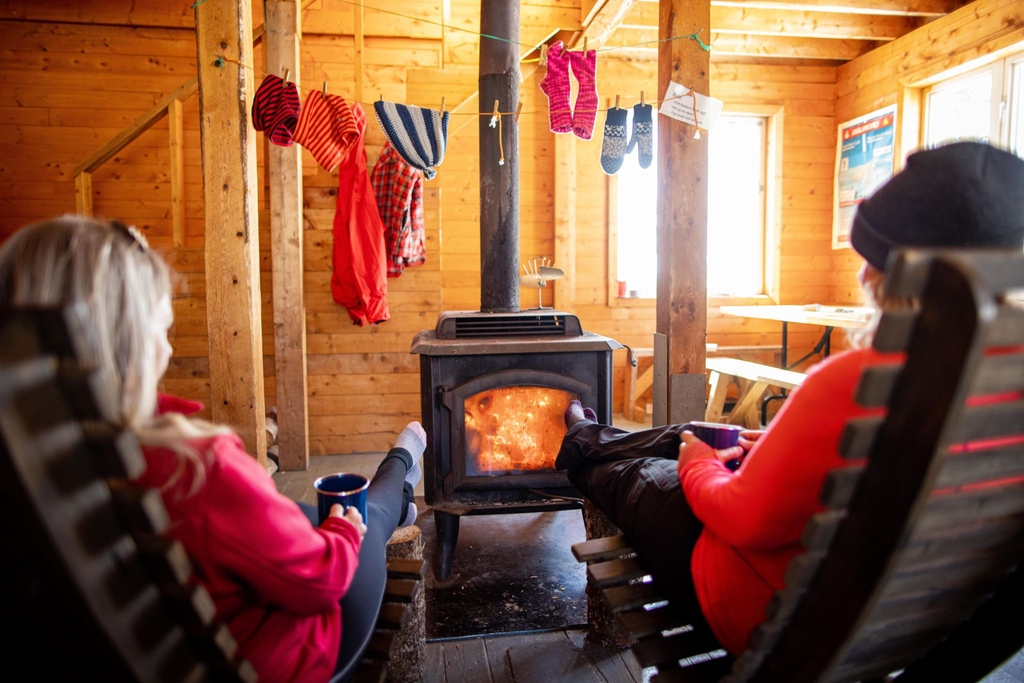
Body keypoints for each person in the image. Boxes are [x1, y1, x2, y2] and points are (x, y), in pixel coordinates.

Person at [555, 140, 1024, 656]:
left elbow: (742, 518)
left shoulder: (860, 381)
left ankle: (580, 444)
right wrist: (772, 447)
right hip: (919, 625)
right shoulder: (1002, 386)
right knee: (690, 436)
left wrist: (697, 466)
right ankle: (593, 436)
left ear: (883, 272)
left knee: (639, 472)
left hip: (771, 615)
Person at [0, 215, 424, 683]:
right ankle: (399, 474)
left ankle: (394, 481)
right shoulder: (194, 468)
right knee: (366, 521)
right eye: (160, 333)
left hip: (191, 623)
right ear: (127, 345)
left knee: (306, 513)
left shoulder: (44, 461)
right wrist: (344, 533)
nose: (165, 351)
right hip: (291, 656)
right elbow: (322, 580)